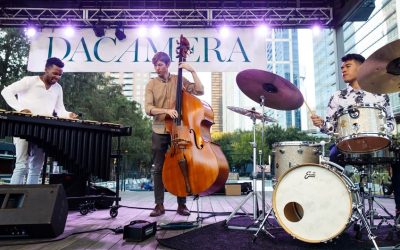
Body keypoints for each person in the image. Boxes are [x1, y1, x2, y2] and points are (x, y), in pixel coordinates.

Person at [311, 53, 400, 223]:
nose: (343, 69)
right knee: (333, 154)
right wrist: (322, 124)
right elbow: (332, 128)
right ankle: (336, 212)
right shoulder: (338, 97)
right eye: (342, 67)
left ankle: (399, 211)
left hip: (377, 145)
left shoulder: (380, 94)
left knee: (399, 156)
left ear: (362, 67)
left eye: (348, 66)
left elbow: (390, 123)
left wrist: (381, 136)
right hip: (348, 147)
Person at [144, 51, 204, 217]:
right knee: (157, 168)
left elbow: (200, 91)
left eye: (160, 65)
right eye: (155, 65)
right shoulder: (151, 84)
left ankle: (182, 205)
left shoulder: (179, 80)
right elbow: (148, 108)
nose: (157, 68)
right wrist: (167, 111)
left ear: (167, 65)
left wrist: (192, 71)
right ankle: (159, 205)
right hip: (159, 128)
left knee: (181, 163)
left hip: (179, 130)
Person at [1, 57, 78, 184]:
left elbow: (60, 110)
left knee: (36, 168)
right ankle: (13, 199)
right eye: (55, 73)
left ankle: (31, 200)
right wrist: (20, 109)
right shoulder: (29, 81)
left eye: (60, 74)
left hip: (43, 130)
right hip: (23, 126)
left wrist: (69, 114)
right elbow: (6, 91)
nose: (57, 77)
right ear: (46, 70)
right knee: (21, 165)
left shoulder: (58, 88)